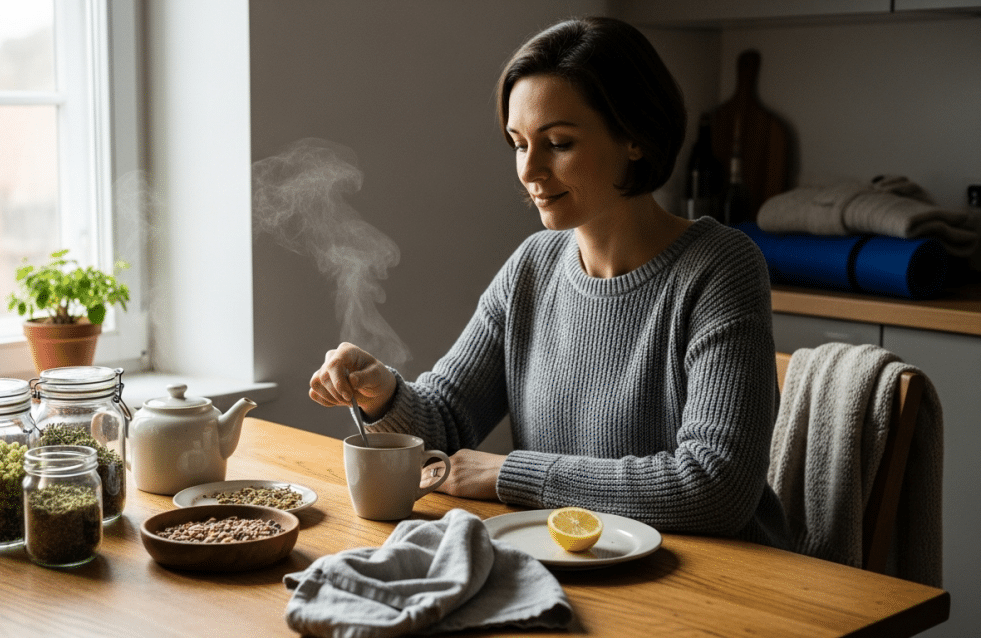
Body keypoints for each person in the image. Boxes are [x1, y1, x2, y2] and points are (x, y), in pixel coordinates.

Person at [309, 16, 789, 548]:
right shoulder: (532, 267)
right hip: (572, 568)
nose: (529, 171)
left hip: (723, 585)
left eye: (558, 142)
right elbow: (445, 425)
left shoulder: (721, 268)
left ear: (634, 137)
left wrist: (510, 474)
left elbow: (716, 487)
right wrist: (385, 396)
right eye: (519, 143)